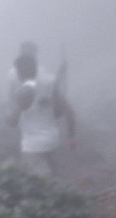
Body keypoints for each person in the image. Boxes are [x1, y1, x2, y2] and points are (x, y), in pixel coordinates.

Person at [8, 47, 75, 178]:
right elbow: (67, 111)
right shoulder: (49, 83)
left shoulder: (21, 93)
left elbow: (13, 122)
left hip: (31, 147)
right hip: (52, 141)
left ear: (19, 73)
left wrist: (10, 115)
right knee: (57, 176)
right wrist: (71, 137)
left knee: (37, 183)